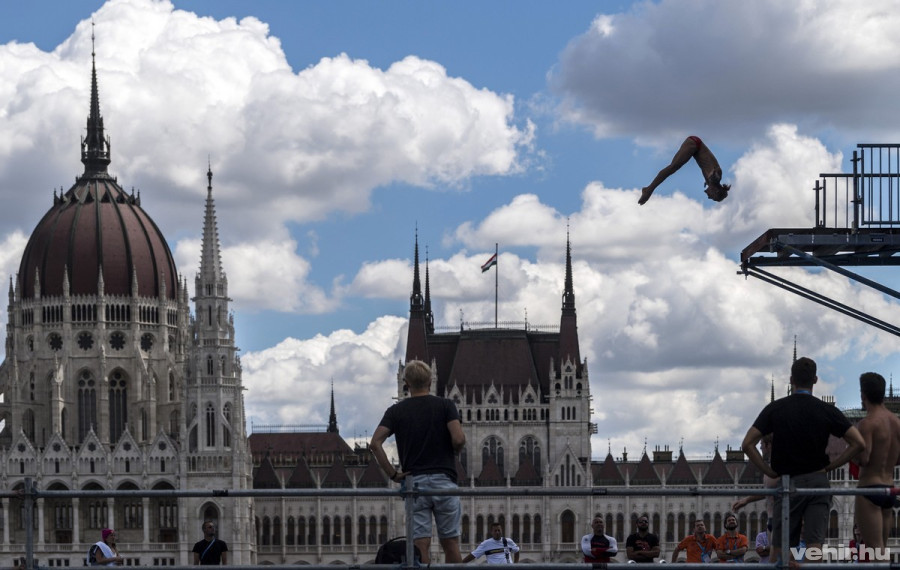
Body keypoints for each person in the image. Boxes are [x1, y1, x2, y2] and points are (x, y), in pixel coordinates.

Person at [741, 356, 865, 564]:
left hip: (790, 483)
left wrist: (769, 471)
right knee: (814, 548)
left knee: (779, 551)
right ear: (815, 380)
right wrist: (831, 466)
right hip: (818, 483)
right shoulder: (826, 410)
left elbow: (747, 444)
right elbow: (858, 442)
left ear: (791, 379)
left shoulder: (776, 408)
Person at [370, 360, 466, 564]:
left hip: (415, 484)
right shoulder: (445, 405)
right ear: (431, 381)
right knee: (451, 544)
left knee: (420, 545)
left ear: (406, 383)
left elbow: (375, 443)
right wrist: (454, 451)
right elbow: (458, 438)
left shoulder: (396, 411)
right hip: (444, 483)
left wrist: (393, 474)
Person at [853, 372, 900, 556]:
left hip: (869, 489)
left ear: (863, 395)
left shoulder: (868, 423)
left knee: (875, 553)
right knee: (883, 551)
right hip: (889, 489)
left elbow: (864, 459)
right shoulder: (896, 423)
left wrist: (852, 454)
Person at [638, 135, 730, 205]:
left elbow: (705, 167)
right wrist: (714, 176)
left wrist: (709, 183)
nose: (709, 198)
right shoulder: (716, 178)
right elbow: (716, 170)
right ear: (716, 191)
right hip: (695, 144)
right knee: (673, 167)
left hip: (695, 146)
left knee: (673, 167)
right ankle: (648, 190)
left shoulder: (711, 181)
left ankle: (649, 189)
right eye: (713, 197)